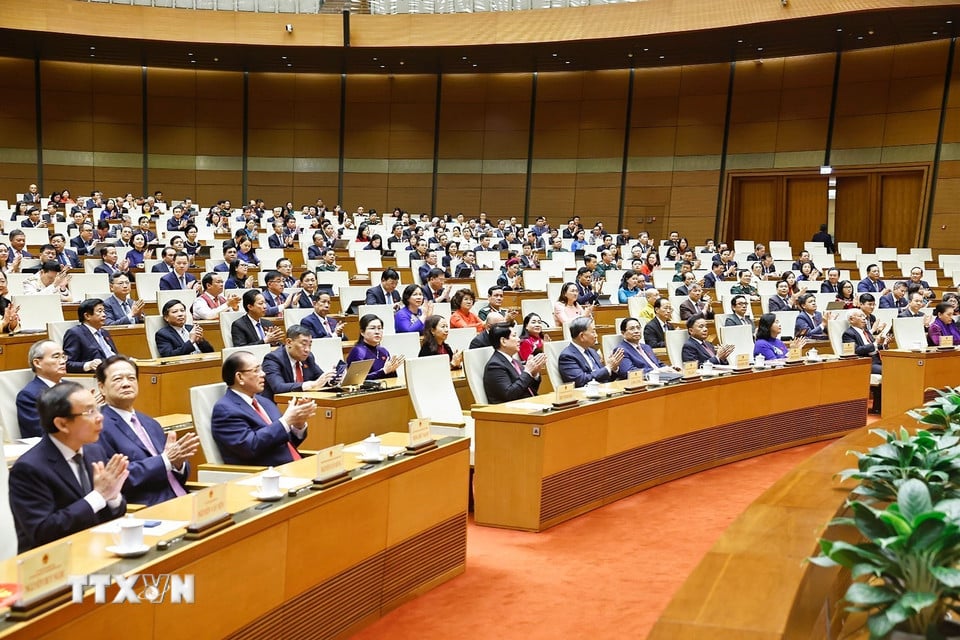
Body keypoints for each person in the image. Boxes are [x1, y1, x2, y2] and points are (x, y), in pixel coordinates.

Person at [8, 381, 128, 553]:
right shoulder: (29, 469)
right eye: (89, 412)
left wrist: (113, 497)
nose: (100, 417)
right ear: (62, 424)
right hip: (52, 564)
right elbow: (43, 531)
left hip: (97, 549)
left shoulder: (94, 451)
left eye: (97, 408)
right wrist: (99, 496)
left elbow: (111, 514)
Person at [96, 356, 198, 506]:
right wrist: (165, 461)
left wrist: (178, 464)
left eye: (131, 378)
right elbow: (115, 478)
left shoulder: (150, 423)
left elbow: (174, 465)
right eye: (118, 379)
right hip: (147, 508)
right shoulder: (98, 427)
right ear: (102, 387)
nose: (126, 384)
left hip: (183, 498)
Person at [211, 351, 317, 466]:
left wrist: (297, 424)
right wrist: (285, 421)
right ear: (240, 377)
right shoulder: (225, 410)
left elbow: (285, 441)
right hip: (267, 475)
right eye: (256, 370)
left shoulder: (265, 402)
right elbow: (250, 447)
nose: (263, 374)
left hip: (293, 466)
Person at [261, 325, 337, 402]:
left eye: (309, 345)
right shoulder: (273, 359)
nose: (307, 350)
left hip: (302, 403)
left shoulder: (308, 358)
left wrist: (332, 379)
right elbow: (278, 387)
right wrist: (311, 385)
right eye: (303, 344)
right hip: (278, 405)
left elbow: (319, 378)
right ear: (289, 342)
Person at [483, 322, 546, 404]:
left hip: (527, 404)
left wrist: (534, 374)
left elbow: (529, 390)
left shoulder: (515, 362)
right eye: (514, 336)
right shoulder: (495, 366)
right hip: (510, 411)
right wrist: (527, 372)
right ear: (503, 341)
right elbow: (509, 395)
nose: (519, 339)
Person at [16, 340, 68, 439]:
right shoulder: (29, 395)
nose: (63, 361)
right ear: (37, 363)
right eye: (56, 357)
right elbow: (40, 432)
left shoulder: (73, 387)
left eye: (63, 356)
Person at [558, 317, 623, 387]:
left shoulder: (592, 351)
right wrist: (608, 368)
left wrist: (613, 369)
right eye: (593, 332)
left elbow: (604, 377)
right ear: (582, 336)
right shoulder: (567, 356)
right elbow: (580, 380)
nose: (596, 335)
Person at [63, 298, 119, 373]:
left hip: (115, 368)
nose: (104, 315)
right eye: (100, 311)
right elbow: (67, 363)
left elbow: (113, 354)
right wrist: (88, 365)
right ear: (87, 316)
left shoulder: (104, 332)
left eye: (104, 311)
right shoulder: (75, 333)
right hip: (98, 375)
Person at [346, 314, 404, 379]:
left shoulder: (383, 351)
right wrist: (383, 371)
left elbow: (391, 379)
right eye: (372, 328)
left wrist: (392, 370)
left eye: (379, 328)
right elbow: (357, 379)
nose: (377, 332)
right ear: (362, 332)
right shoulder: (358, 351)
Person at [843, 309, 888, 374]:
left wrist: (884, 344)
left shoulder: (866, 331)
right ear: (851, 319)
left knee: (899, 365)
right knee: (889, 369)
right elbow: (855, 350)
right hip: (866, 363)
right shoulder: (848, 334)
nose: (864, 318)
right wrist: (875, 343)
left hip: (878, 359)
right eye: (860, 316)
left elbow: (875, 347)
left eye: (864, 316)